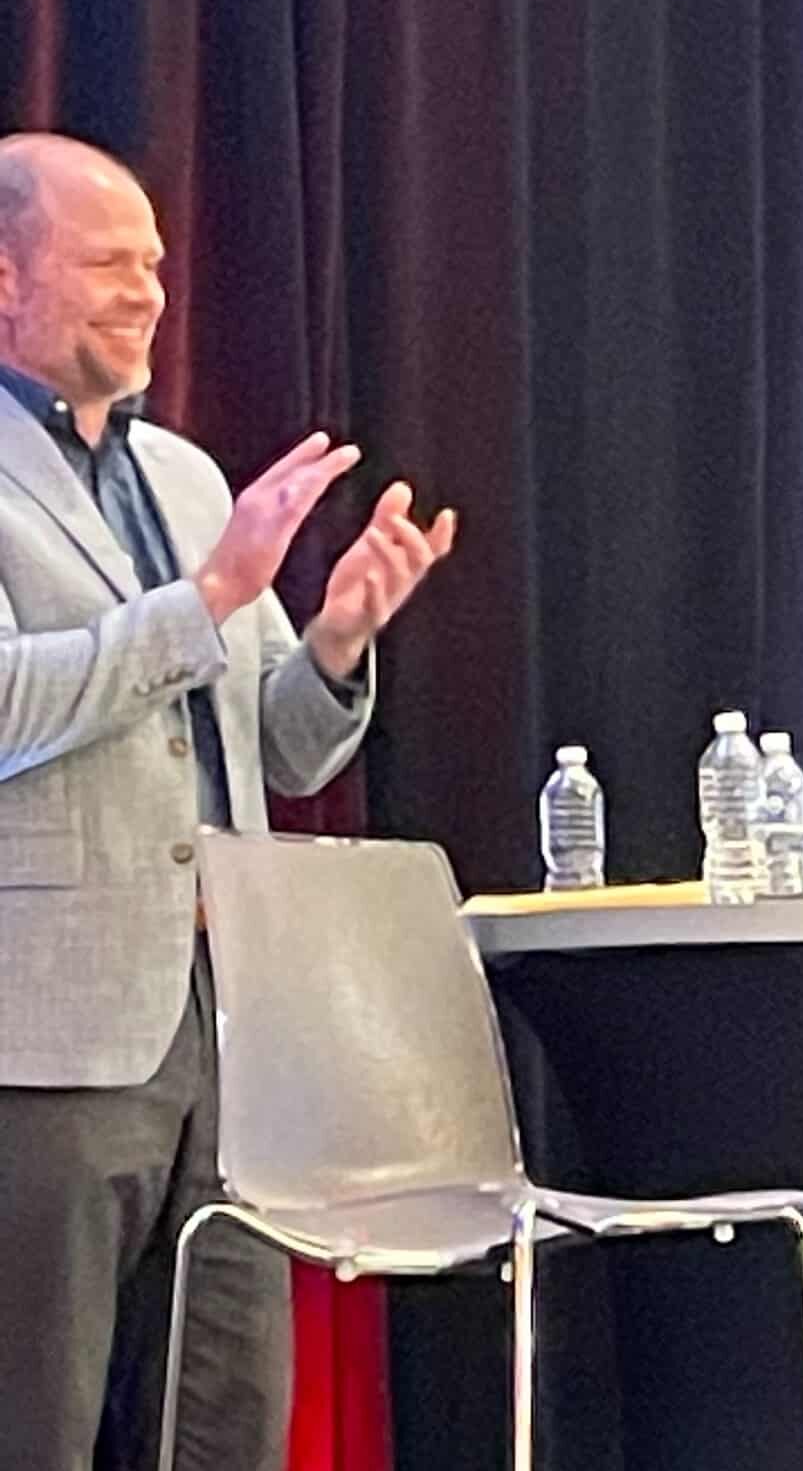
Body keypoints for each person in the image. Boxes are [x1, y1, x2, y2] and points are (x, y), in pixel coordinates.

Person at [0, 134, 458, 1471]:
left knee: (226, 1419)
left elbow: (282, 754)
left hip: (232, 1021)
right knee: (40, 1418)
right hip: (48, 1031)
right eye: (104, 264)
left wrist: (333, 644)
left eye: (152, 262)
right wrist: (202, 601)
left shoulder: (190, 480)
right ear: (7, 282)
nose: (145, 291)